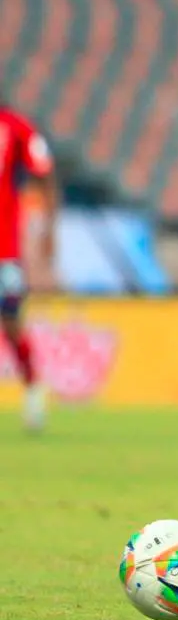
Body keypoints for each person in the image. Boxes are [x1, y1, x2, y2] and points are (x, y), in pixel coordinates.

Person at [0, 102, 58, 431]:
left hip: (3, 249)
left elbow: (45, 173)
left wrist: (50, 229)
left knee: (10, 323)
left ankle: (33, 386)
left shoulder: (16, 126)